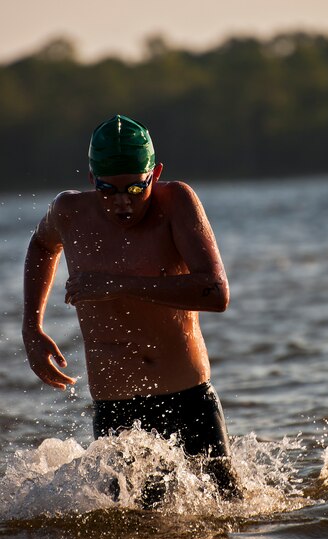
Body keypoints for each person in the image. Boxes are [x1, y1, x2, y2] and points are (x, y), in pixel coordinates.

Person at [22, 114, 241, 506]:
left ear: (155, 174)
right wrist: (32, 327)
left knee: (229, 516)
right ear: (92, 179)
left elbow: (215, 292)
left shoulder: (177, 204)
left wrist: (118, 285)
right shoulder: (69, 212)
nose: (122, 202)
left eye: (137, 188)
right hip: (116, 411)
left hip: (187, 400)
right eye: (109, 189)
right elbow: (41, 246)